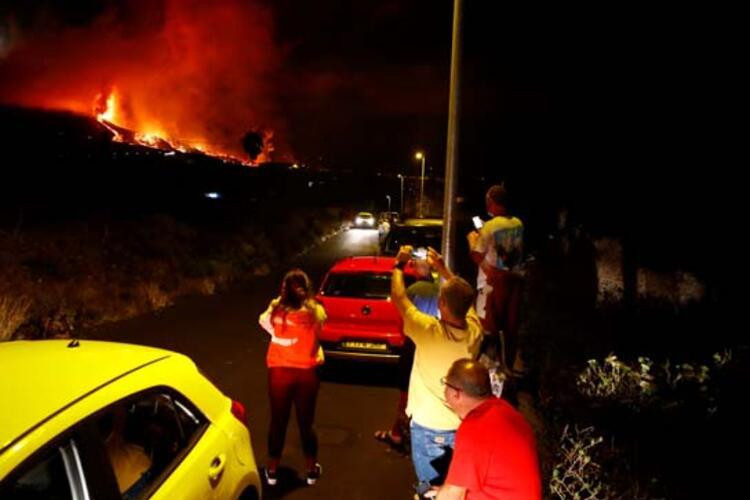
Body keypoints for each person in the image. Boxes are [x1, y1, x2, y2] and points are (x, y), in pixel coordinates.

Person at [391, 245, 483, 497]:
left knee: (428, 489)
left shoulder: (428, 331)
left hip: (427, 427)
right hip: (461, 427)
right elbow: (465, 299)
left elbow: (399, 297)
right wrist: (443, 269)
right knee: (454, 489)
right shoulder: (474, 333)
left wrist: (398, 265)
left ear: (441, 304)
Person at [434, 359, 541, 500]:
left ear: (455, 394)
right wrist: (443, 490)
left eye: (446, 384)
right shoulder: (504, 409)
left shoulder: (474, 429)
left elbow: (452, 497)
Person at [258, 269, 326, 486]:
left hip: (279, 372)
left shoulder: (276, 313)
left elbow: (264, 323)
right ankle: (310, 468)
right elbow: (318, 334)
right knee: (306, 423)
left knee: (278, 421)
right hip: (306, 373)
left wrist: (276, 302)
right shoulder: (316, 313)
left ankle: (272, 468)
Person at [374, 256, 440, 453]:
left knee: (405, 392)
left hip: (413, 343)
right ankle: (404, 431)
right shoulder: (440, 289)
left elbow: (401, 317)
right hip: (433, 344)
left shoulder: (413, 291)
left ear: (419, 270)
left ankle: (399, 433)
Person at [467, 184, 524, 375]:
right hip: (513, 281)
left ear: (491, 202)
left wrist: (474, 239)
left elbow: (476, 254)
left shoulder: (489, 227)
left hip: (490, 285)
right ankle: (508, 367)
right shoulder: (518, 224)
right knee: (509, 329)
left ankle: (488, 372)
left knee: (487, 329)